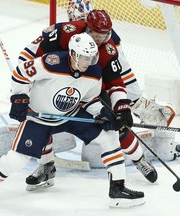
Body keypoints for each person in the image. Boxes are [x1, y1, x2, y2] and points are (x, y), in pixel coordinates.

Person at [0, 33, 145, 209]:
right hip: (39, 117)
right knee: (16, 160)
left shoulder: (94, 71)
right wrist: (19, 98)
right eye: (85, 57)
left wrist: (103, 113)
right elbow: (20, 73)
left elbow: (88, 99)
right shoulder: (52, 62)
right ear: (73, 54)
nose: (90, 62)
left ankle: (118, 190)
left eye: (92, 57)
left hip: (71, 115)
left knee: (110, 135)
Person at [17, 8, 162, 191]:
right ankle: (46, 166)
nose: (102, 38)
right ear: (87, 28)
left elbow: (115, 81)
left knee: (117, 127)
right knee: (43, 119)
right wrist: (24, 83)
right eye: (98, 34)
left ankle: (139, 159)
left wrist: (122, 107)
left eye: (105, 34)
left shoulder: (110, 46)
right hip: (58, 86)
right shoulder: (64, 32)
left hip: (91, 91)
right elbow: (32, 54)